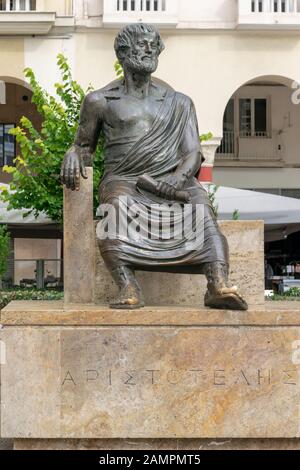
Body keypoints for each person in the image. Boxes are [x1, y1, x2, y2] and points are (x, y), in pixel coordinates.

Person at [60, 23, 247, 311]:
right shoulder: (99, 101)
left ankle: (217, 283)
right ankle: (127, 284)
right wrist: (72, 153)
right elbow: (84, 147)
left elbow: (193, 152)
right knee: (116, 206)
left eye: (152, 45)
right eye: (141, 44)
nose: (148, 49)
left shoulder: (179, 102)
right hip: (124, 181)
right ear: (123, 52)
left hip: (174, 180)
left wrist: (178, 178)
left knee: (200, 206)